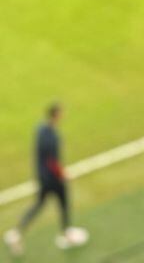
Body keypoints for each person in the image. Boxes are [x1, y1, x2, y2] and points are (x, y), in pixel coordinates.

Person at [4, 104, 88, 255]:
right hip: (53, 179)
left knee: (39, 204)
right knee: (63, 203)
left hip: (42, 177)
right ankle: (66, 234)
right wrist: (63, 174)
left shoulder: (40, 130)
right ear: (56, 115)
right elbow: (52, 161)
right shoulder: (53, 137)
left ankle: (17, 232)